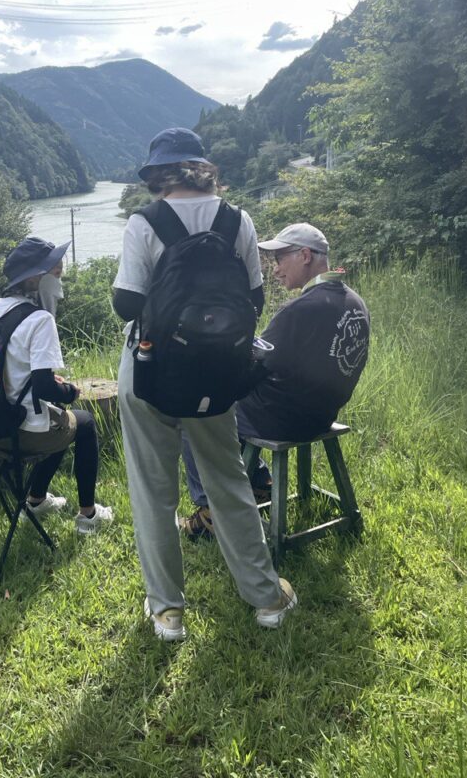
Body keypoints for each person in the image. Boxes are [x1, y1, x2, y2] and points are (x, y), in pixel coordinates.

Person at [113, 127, 296, 640]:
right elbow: (255, 300)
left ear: (157, 174)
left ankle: (167, 612)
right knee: (228, 479)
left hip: (149, 368)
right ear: (203, 168)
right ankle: (266, 598)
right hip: (217, 370)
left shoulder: (144, 222)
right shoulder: (237, 219)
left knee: (153, 491)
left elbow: (126, 305)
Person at [181, 222, 370, 538]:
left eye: (280, 259)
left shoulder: (300, 309)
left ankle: (210, 511)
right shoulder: (354, 301)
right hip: (322, 413)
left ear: (305, 255)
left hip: (283, 419)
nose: (275, 270)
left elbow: (252, 366)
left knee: (194, 411)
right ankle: (261, 484)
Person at [0, 236, 113, 534]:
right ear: (36, 279)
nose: (59, 278)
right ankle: (88, 516)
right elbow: (45, 388)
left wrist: (45, 384)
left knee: (58, 417)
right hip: (20, 432)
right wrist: (70, 391)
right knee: (83, 423)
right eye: (56, 272)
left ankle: (36, 500)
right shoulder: (39, 319)